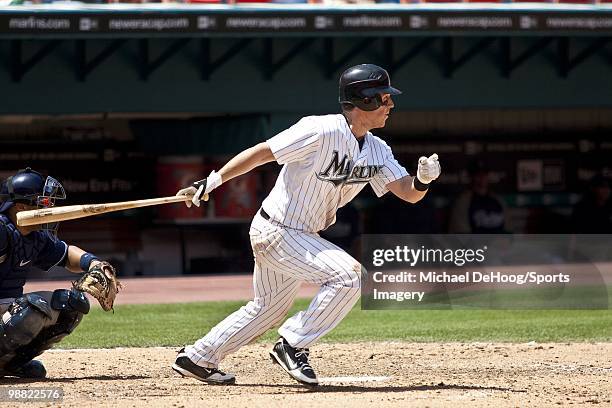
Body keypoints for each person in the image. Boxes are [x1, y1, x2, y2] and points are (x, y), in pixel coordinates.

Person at [172, 64, 441, 386]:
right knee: (349, 276)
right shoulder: (320, 129)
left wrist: (423, 181)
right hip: (279, 230)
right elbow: (263, 153)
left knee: (267, 309)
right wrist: (214, 180)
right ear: (364, 101)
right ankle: (293, 345)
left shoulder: (378, 149)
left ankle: (198, 357)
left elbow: (406, 193)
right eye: (384, 99)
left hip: (300, 234)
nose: (391, 105)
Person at [0, 168, 117, 378]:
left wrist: (95, 264)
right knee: (33, 308)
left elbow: (67, 255)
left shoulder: (35, 237)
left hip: (5, 308)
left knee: (71, 304)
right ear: (20, 206)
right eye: (43, 203)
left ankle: (9, 363)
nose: (50, 209)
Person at [449, 158, 506, 233]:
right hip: (475, 244)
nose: (481, 178)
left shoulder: (498, 200)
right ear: (471, 177)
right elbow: (461, 236)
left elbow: (508, 230)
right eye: (477, 175)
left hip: (499, 243)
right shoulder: (463, 202)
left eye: (484, 174)